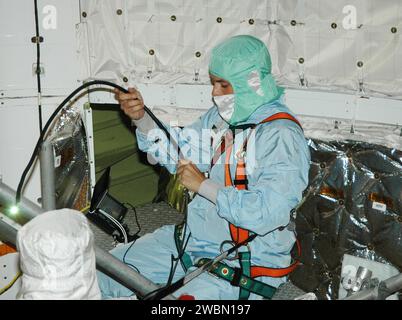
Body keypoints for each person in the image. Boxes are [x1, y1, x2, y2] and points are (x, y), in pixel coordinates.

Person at [97, 35, 310, 300]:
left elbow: (268, 213)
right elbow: (179, 154)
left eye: (223, 85)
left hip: (244, 262)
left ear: (250, 83)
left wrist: (205, 186)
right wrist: (141, 119)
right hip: (194, 241)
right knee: (102, 272)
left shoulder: (281, 137)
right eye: (213, 83)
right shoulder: (220, 119)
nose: (214, 93)